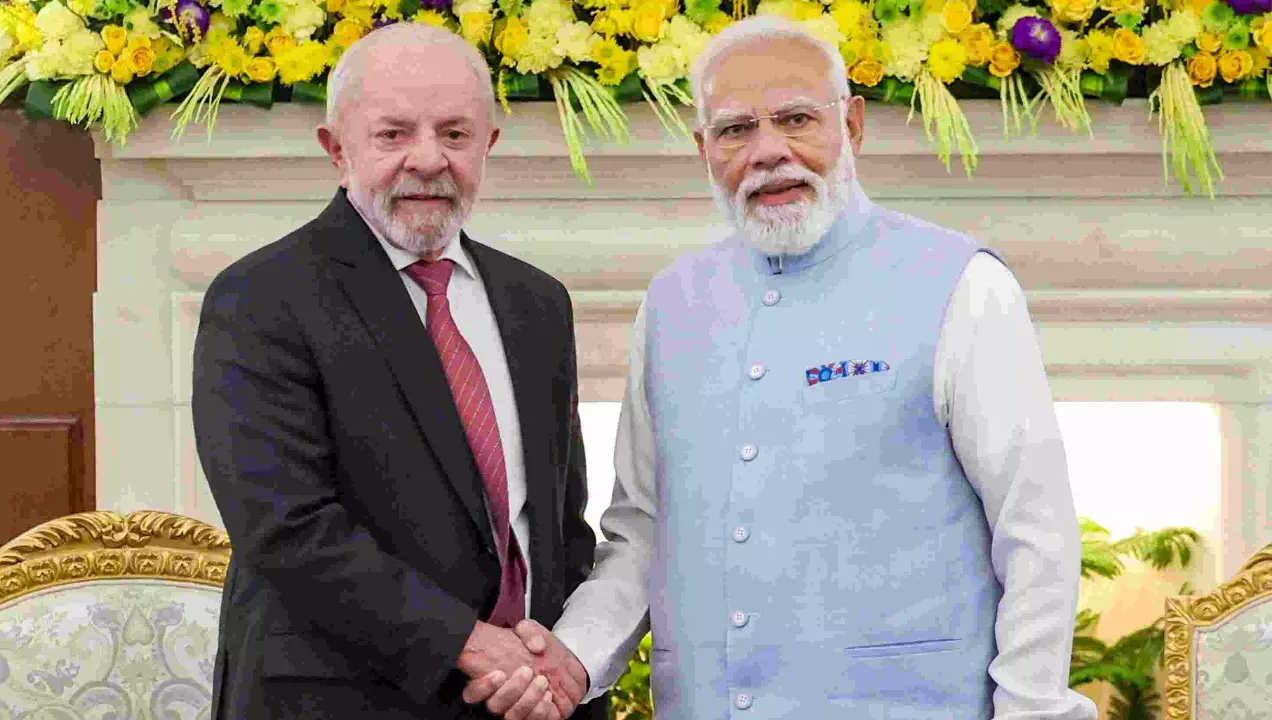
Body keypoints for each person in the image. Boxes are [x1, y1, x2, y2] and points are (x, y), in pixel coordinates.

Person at [471, 13, 1099, 720]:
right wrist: (574, 659)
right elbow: (643, 531)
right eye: (736, 129)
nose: (769, 151)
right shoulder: (673, 301)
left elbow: (1035, 529)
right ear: (702, 147)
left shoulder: (963, 284)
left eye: (796, 119)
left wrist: (1033, 709)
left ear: (852, 125)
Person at [192, 22, 603, 720]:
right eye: (393, 135)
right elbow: (288, 531)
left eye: (454, 133)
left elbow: (557, 527)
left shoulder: (538, 303)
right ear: (336, 150)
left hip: (521, 704)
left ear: (489, 145)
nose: (427, 159)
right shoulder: (259, 297)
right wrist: (472, 645)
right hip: (336, 701)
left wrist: (564, 668)